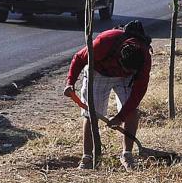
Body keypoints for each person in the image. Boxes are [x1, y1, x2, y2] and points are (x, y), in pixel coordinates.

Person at [64, 21, 153, 170]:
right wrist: (70, 82)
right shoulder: (104, 42)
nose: (127, 72)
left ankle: (127, 155)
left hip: (126, 81)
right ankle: (88, 157)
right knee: (91, 114)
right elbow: (79, 58)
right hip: (99, 73)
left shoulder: (144, 59)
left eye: (131, 71)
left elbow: (138, 92)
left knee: (132, 112)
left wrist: (121, 116)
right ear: (119, 58)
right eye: (125, 69)